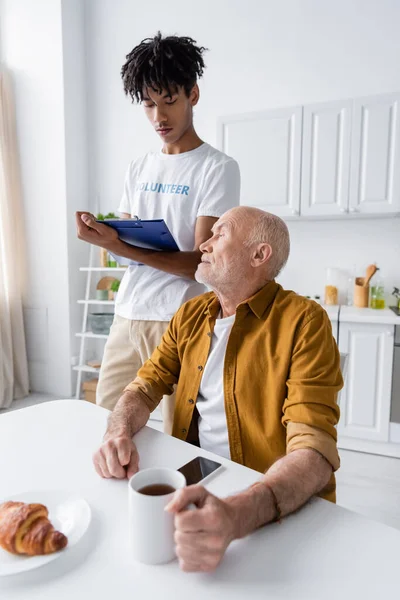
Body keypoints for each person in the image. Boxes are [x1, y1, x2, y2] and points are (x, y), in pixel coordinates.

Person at [93, 206, 343, 573]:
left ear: (259, 255)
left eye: (219, 234)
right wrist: (117, 431)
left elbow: (314, 452)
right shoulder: (190, 314)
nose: (204, 245)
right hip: (201, 477)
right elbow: (145, 385)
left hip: (270, 497)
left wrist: (236, 516)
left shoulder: (305, 321)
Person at [76, 33, 240, 432]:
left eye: (169, 101)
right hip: (128, 313)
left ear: (193, 94)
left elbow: (200, 264)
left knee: (175, 432)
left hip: (178, 320)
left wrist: (124, 247)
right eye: (149, 104)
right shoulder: (139, 167)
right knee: (107, 421)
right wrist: (105, 238)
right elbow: (124, 243)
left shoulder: (217, 168)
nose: (159, 117)